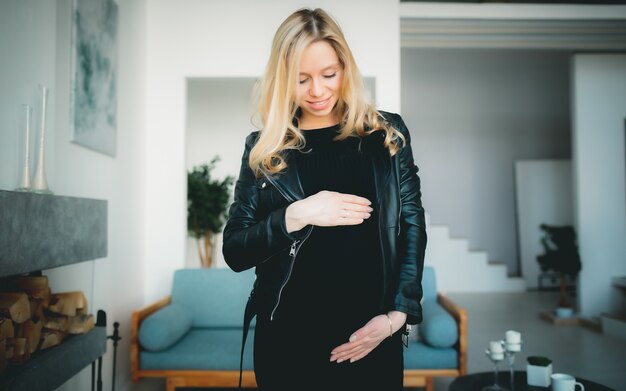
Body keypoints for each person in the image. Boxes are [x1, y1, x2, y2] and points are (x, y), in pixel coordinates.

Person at [222, 8, 427, 391]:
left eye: (328, 75)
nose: (317, 91)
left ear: (345, 69)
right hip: (286, 342)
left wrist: (396, 317)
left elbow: (412, 223)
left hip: (372, 336)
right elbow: (235, 250)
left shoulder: (386, 134)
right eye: (301, 80)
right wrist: (296, 214)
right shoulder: (264, 149)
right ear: (283, 80)